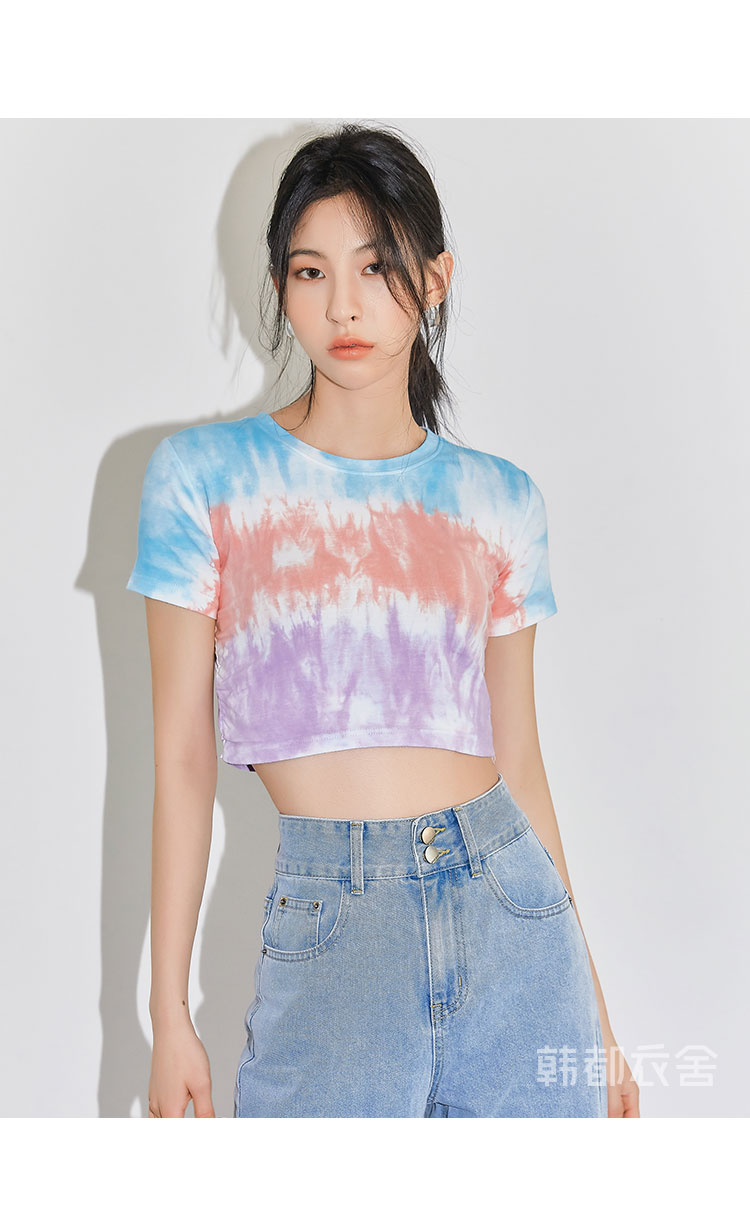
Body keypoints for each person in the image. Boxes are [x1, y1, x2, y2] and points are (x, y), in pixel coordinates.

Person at [126, 122, 639, 1118]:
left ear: (435, 279)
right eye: (310, 272)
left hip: (516, 926)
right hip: (333, 928)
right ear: (280, 287)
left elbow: (520, 761)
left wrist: (601, 1022)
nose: (343, 306)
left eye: (376, 266)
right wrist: (168, 1009)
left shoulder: (499, 500)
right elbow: (181, 758)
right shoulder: (203, 479)